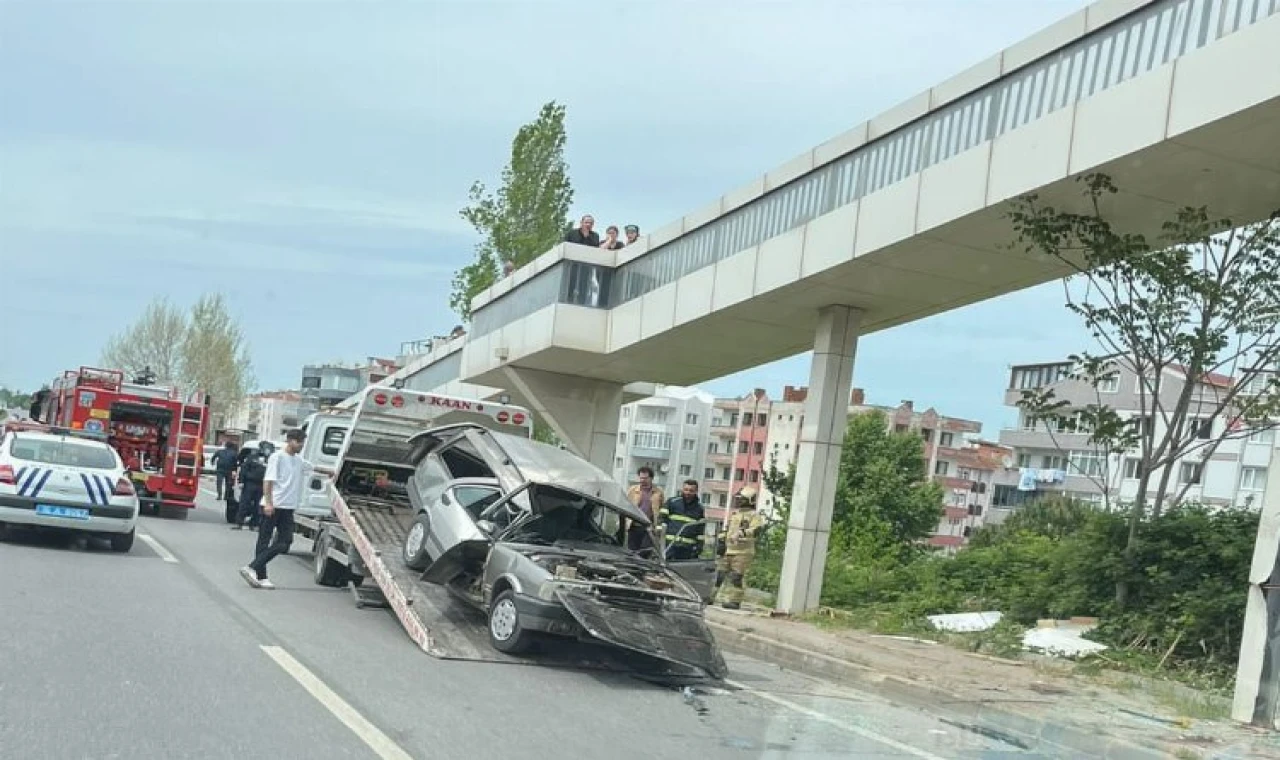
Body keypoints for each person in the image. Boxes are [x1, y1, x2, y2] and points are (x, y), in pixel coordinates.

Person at [240, 430, 310, 590]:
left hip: (287, 507)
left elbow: (312, 467)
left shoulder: (298, 460)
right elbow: (268, 481)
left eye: (302, 442)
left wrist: (330, 472)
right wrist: (269, 503)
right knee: (264, 540)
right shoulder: (277, 457)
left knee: (285, 542)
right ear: (290, 440)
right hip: (273, 505)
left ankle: (253, 568)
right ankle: (260, 575)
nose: (301, 446)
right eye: (299, 442)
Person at [715, 486, 765, 610]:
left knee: (736, 576)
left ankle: (734, 601)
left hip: (743, 552)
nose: (738, 501)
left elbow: (756, 530)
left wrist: (742, 533)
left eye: (741, 499)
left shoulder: (754, 516)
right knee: (719, 574)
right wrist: (721, 541)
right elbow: (727, 529)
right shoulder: (736, 514)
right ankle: (709, 596)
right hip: (729, 550)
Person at [231, 440, 273, 530]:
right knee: (244, 504)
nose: (267, 450)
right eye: (266, 448)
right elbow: (244, 469)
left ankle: (254, 524)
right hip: (249, 484)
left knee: (258, 506)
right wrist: (241, 481)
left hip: (262, 485)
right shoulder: (252, 457)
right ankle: (239, 523)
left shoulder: (271, 460)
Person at [660, 479, 705, 560]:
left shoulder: (699, 509)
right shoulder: (672, 502)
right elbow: (661, 520)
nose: (688, 492)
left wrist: (699, 546)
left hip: (687, 548)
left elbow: (700, 530)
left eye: (691, 490)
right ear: (682, 489)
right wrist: (659, 538)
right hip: (670, 545)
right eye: (686, 489)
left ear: (696, 491)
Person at [623, 466, 664, 553]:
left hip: (649, 527)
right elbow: (625, 505)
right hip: (633, 526)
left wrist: (658, 527)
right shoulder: (633, 490)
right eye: (641, 478)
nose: (642, 480)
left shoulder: (658, 492)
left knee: (645, 551)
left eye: (645, 478)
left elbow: (661, 509)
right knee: (631, 551)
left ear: (651, 478)